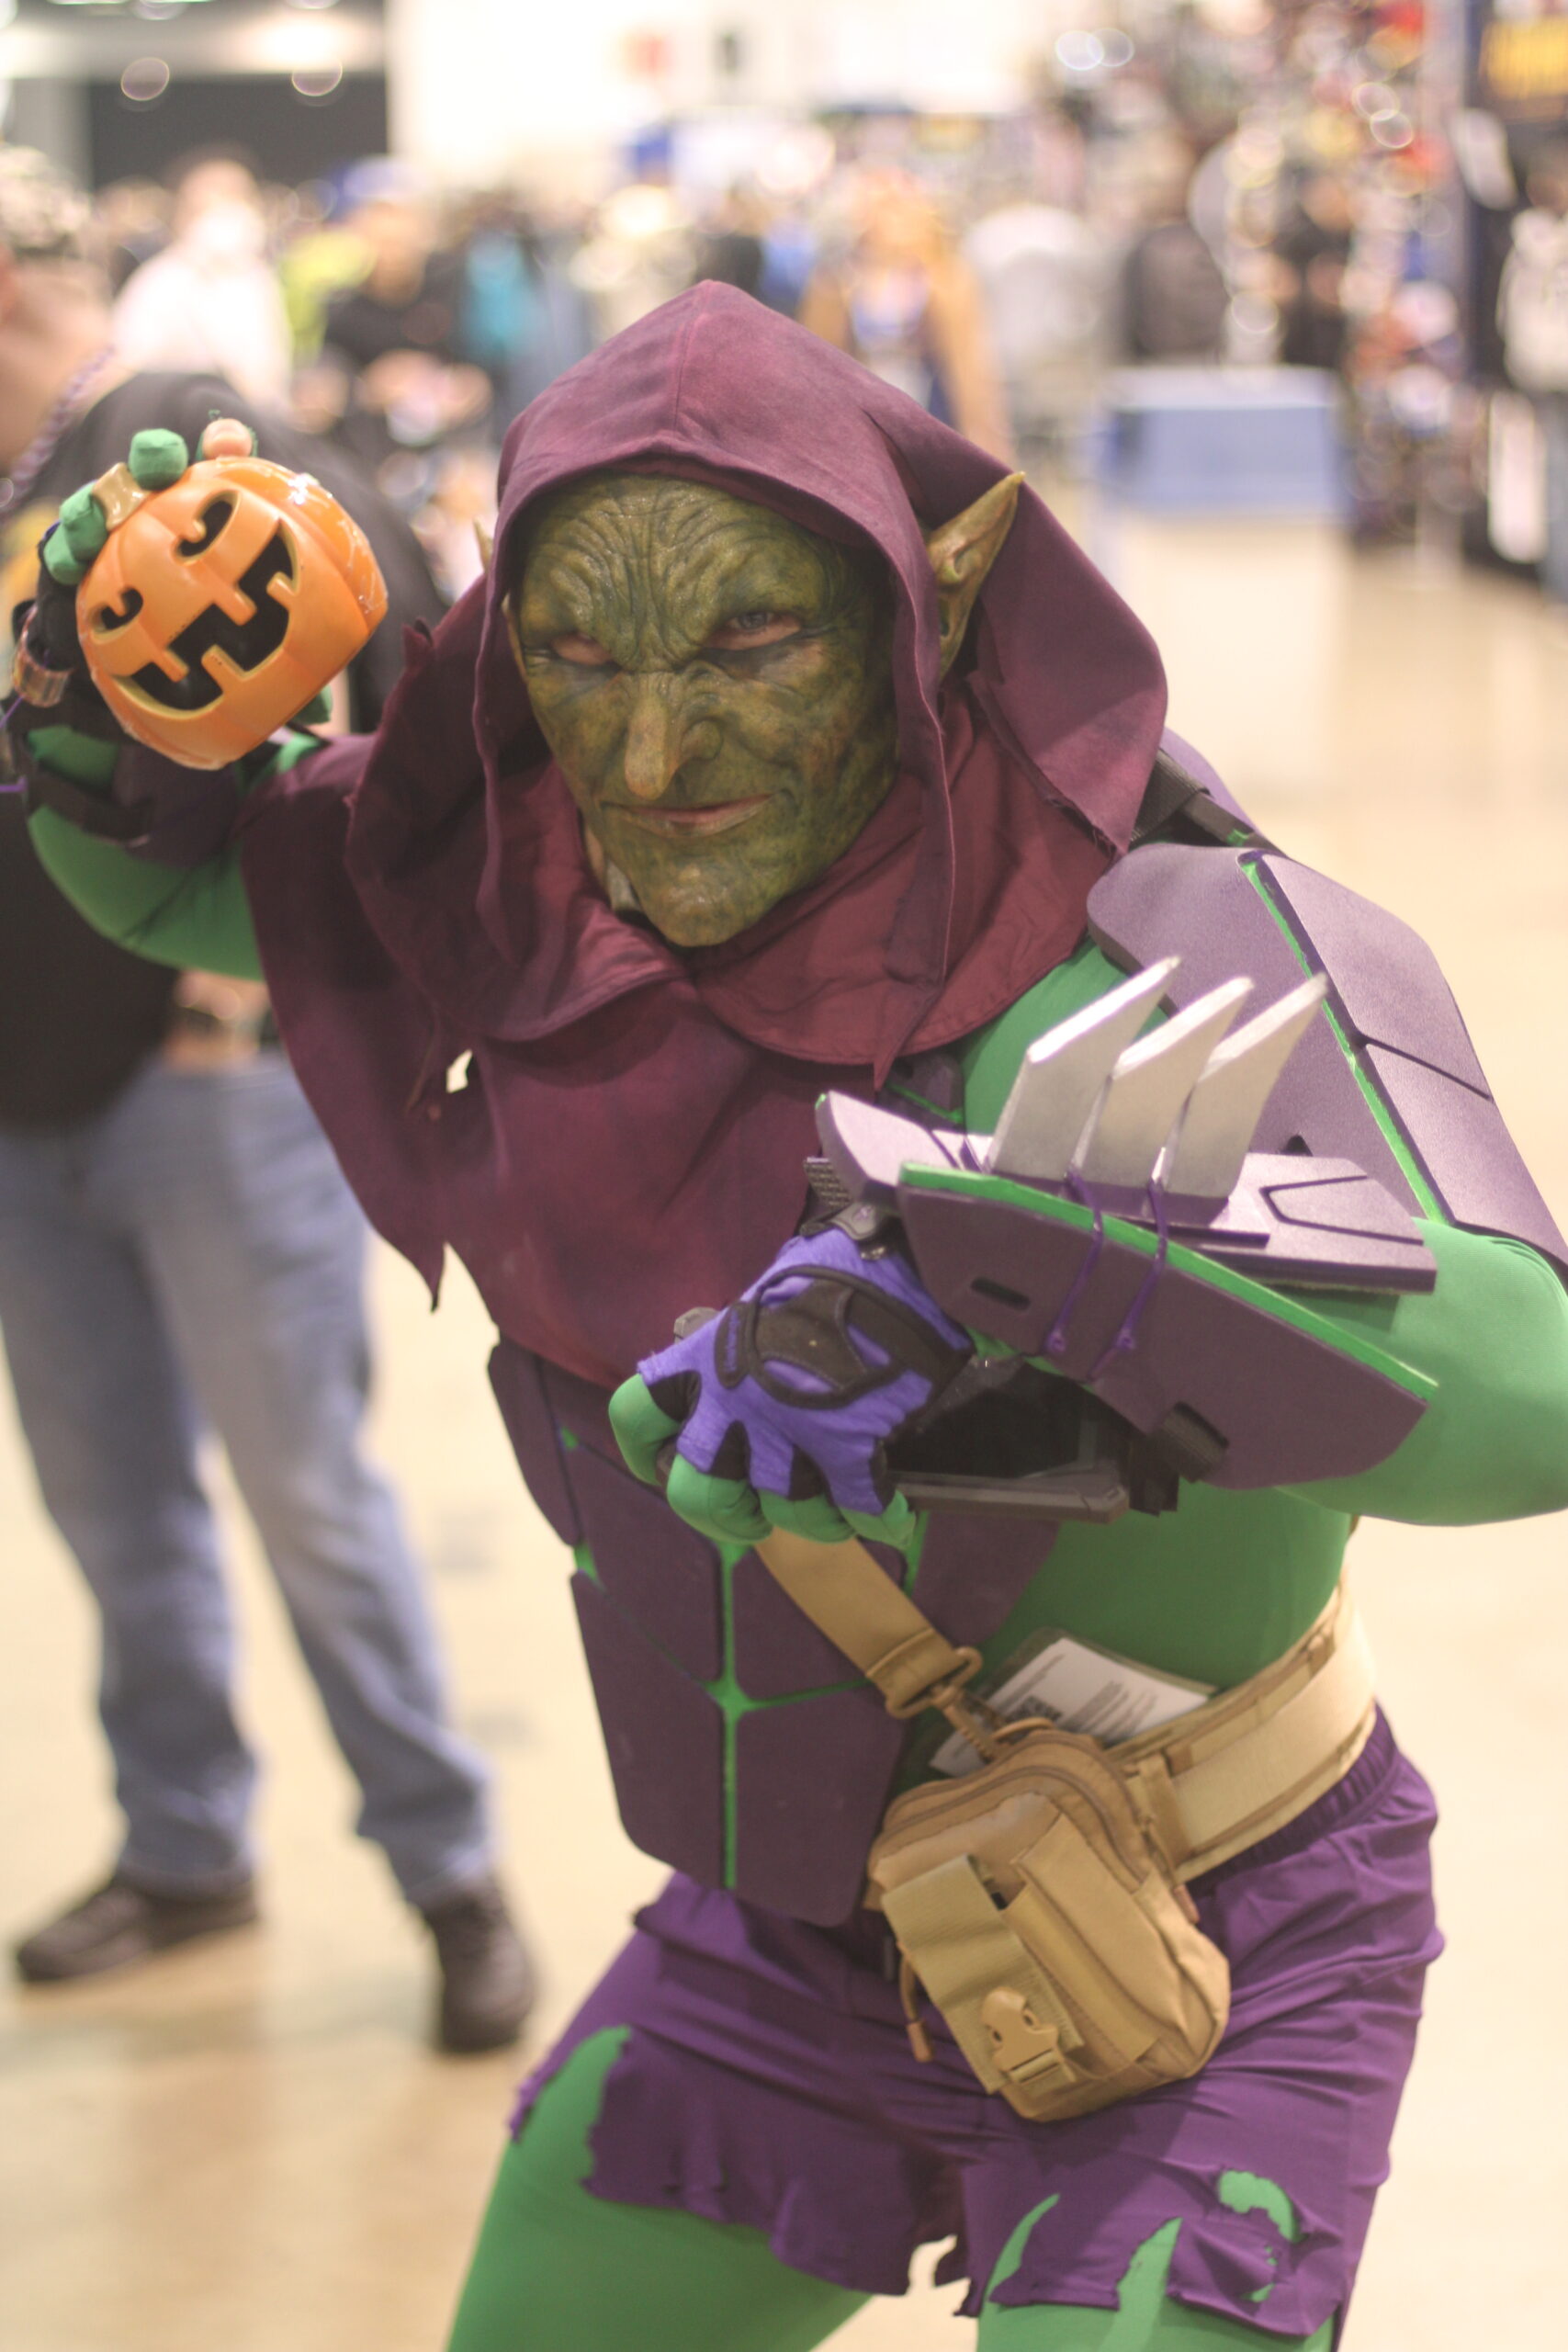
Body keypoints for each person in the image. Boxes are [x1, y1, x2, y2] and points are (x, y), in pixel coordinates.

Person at [14, 282, 1568, 2347]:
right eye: (580, 657)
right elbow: (173, 875)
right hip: (780, 1942)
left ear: (924, 602)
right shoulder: (528, 895)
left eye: (749, 641)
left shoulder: (1163, 923)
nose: (654, 754)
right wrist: (83, 691)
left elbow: (1524, 1388)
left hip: (1208, 1926)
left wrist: (997, 1260)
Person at [0, 147, 533, 2052]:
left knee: (307, 1497)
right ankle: (185, 1844)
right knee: (110, 1506)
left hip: (202, 1089)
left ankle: (448, 1867)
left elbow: (389, 684)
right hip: (27, 1098)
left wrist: (252, 981)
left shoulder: (167, 431)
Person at [112, 150, 294, 412]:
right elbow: (127, 368)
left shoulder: (257, 278)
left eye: (242, 198)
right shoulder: (160, 283)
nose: (233, 215)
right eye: (215, 201)